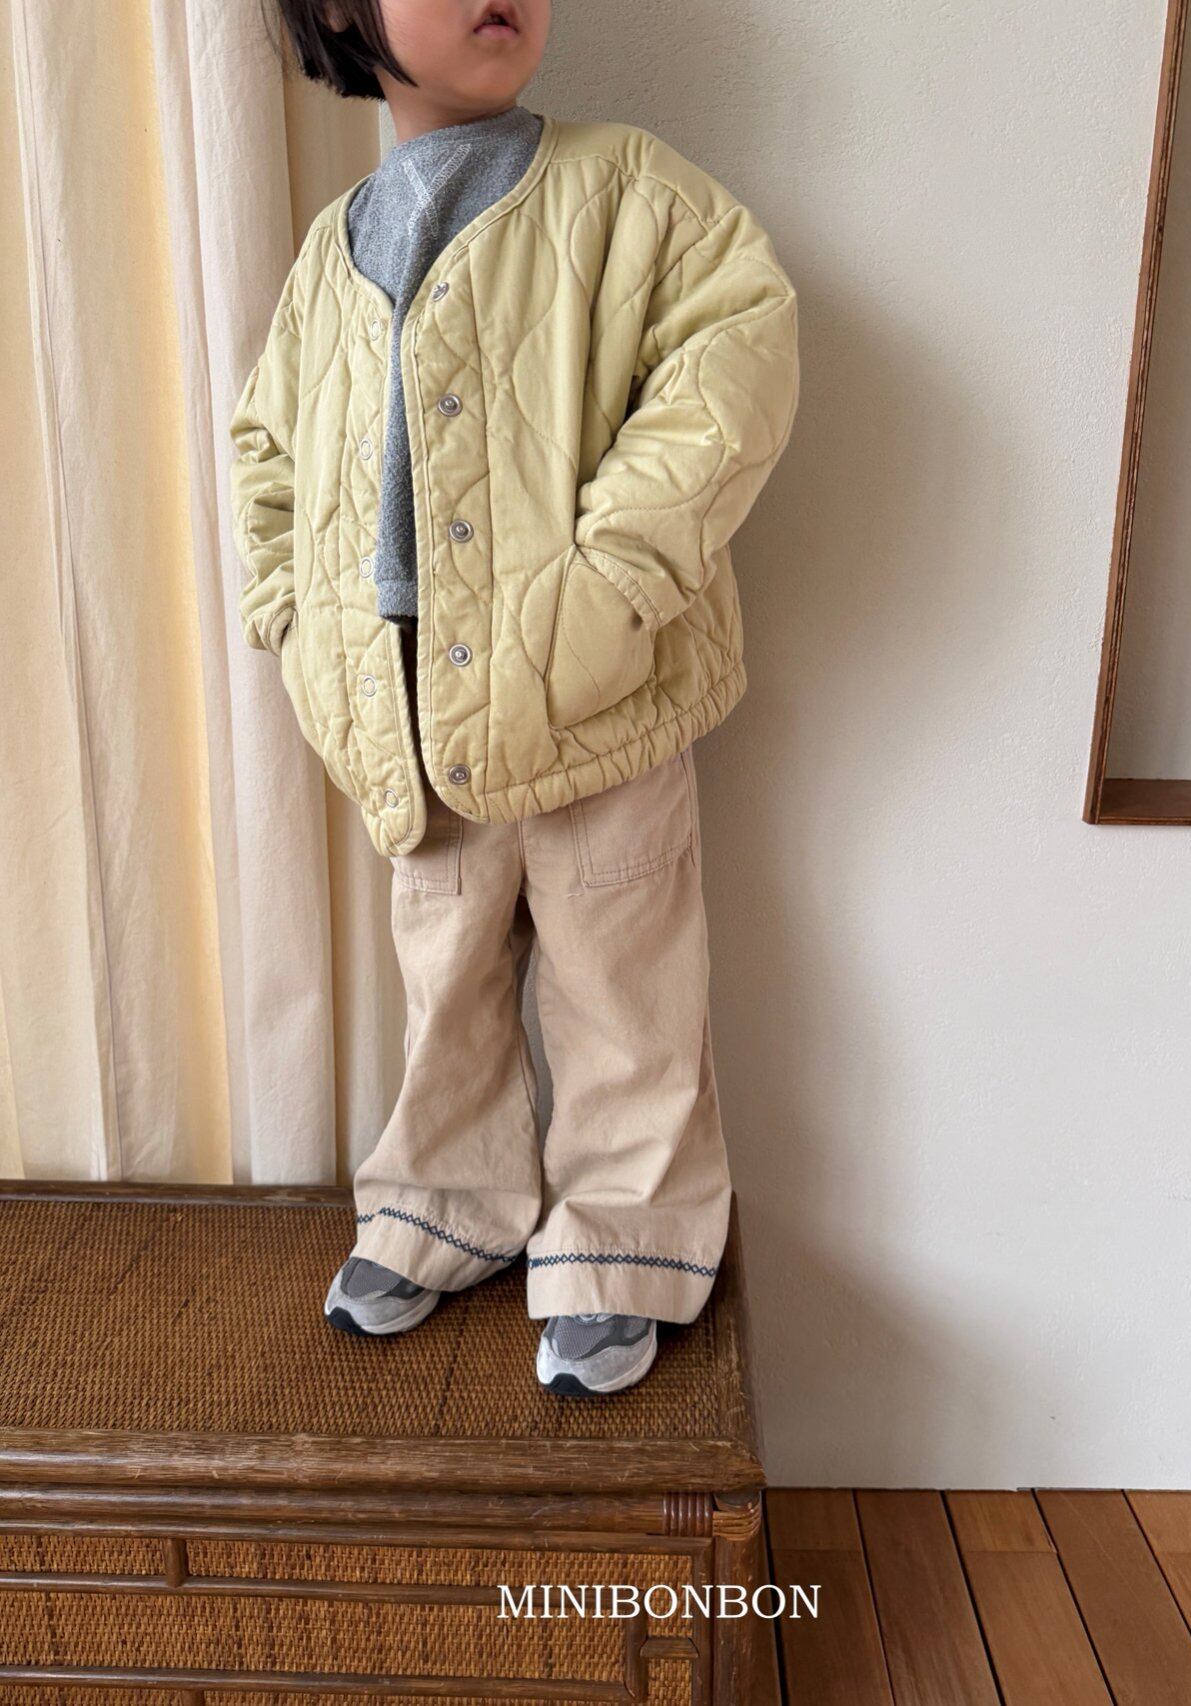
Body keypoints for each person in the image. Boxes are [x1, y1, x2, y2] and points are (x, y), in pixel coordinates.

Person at [229, 0, 800, 1395]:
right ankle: (441, 1204)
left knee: (627, 992)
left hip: (600, 701)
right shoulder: (331, 246)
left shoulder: (628, 191)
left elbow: (738, 351)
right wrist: (293, 617)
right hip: (412, 713)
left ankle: (627, 1246)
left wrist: (614, 581)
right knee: (444, 989)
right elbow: (264, 450)